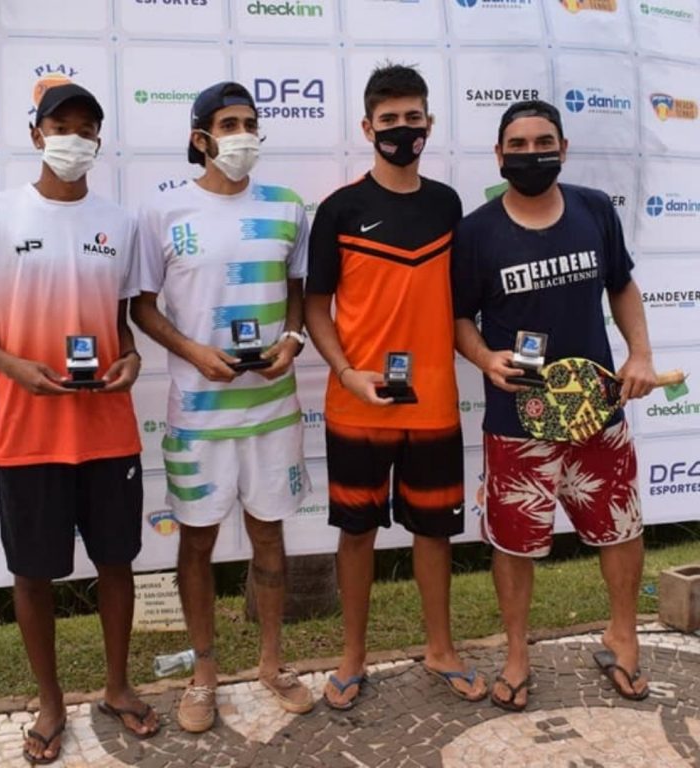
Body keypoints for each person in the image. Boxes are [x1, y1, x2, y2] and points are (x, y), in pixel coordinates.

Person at [0, 83, 160, 764]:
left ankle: (118, 686)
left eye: (86, 127)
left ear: (99, 139)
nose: (74, 138)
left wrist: (131, 359)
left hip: (107, 428)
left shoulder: (120, 223)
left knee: (117, 563)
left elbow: (122, 325)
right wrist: (15, 367)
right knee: (33, 574)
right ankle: (49, 702)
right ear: (36, 133)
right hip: (28, 430)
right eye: (61, 125)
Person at [451, 99, 656, 712]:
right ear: (499, 154)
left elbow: (622, 285)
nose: (531, 153)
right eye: (517, 144)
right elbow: (459, 318)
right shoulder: (476, 231)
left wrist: (640, 354)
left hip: (597, 411)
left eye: (544, 142)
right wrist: (485, 358)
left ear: (563, 149)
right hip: (518, 420)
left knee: (621, 529)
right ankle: (517, 653)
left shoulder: (594, 210)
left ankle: (623, 636)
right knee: (514, 544)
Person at [131, 81, 314, 733]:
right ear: (200, 138)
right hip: (197, 414)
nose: (243, 135)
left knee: (269, 535)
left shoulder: (288, 206)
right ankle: (203, 674)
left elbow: (298, 290)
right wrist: (191, 351)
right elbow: (142, 307)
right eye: (229, 124)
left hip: (272, 410)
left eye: (250, 123)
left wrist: (292, 340)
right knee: (197, 540)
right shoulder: (163, 211)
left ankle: (272, 663)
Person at [304, 64, 487, 710]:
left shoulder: (447, 205)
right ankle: (352, 658)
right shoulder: (340, 210)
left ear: (429, 123)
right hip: (357, 403)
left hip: (434, 403)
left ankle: (441, 649)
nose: (402, 130)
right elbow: (315, 307)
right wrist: (347, 372)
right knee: (356, 533)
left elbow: (458, 305)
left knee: (433, 533)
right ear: (367, 127)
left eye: (413, 118)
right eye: (389, 120)